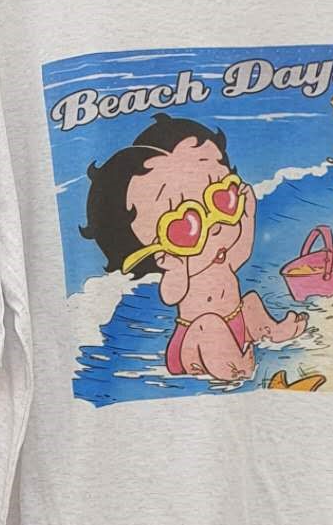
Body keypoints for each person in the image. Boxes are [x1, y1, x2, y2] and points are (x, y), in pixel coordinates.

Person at [82, 113, 306, 381]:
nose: (214, 226)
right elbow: (171, 296)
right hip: (193, 342)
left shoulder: (221, 259)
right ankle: (231, 367)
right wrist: (176, 269)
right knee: (208, 324)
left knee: (251, 301)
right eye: (184, 227)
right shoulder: (179, 267)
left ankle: (271, 330)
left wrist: (247, 215)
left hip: (234, 323)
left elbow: (241, 252)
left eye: (223, 200)